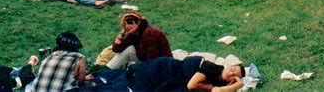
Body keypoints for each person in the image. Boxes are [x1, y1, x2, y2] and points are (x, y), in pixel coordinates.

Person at [88, 56, 245, 91]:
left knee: (129, 82)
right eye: (232, 69)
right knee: (132, 84)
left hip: (166, 80)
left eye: (234, 76)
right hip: (162, 69)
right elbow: (192, 85)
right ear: (227, 65)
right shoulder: (212, 67)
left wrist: (238, 84)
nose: (230, 73)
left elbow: (218, 91)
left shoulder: (220, 83)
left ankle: (96, 81)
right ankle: (96, 80)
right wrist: (211, 87)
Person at [100, 12, 172, 69]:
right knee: (129, 49)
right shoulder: (133, 34)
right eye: (125, 25)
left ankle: (106, 72)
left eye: (130, 22)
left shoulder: (150, 32)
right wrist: (119, 36)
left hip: (162, 65)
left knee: (130, 52)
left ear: (138, 22)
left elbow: (152, 59)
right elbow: (116, 49)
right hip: (146, 62)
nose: (127, 26)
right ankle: (106, 70)